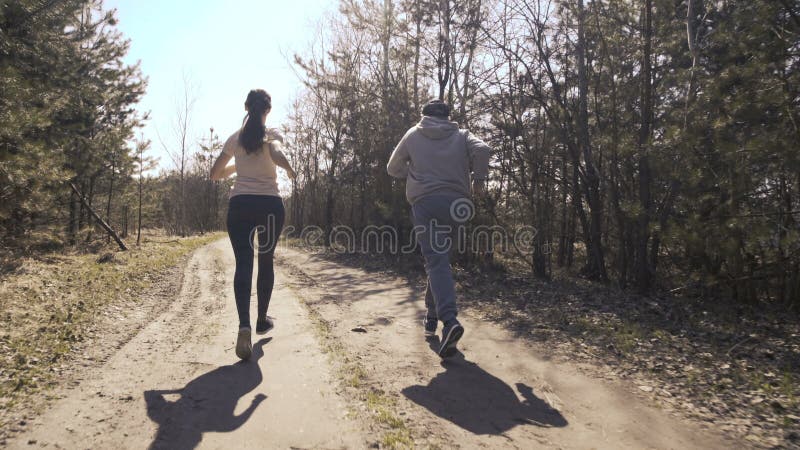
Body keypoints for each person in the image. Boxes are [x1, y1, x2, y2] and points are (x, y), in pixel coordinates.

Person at [387, 99, 491, 358]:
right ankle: (432, 317)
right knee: (440, 261)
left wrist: (412, 172)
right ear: (448, 117)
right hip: (458, 206)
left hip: (426, 203)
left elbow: (392, 168)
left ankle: (449, 321)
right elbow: (484, 149)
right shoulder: (461, 135)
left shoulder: (413, 135)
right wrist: (478, 181)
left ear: (423, 115)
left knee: (436, 262)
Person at [210, 89, 297, 360]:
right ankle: (261, 320)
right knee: (266, 260)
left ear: (246, 107)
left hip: (240, 206)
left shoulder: (235, 139)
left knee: (244, 264)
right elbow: (277, 152)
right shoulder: (271, 134)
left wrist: (238, 165)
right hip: (269, 205)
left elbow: (214, 174)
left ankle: (244, 326)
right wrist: (288, 168)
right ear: (267, 110)